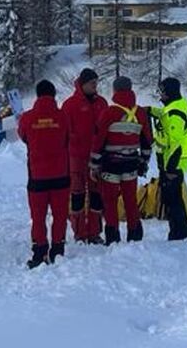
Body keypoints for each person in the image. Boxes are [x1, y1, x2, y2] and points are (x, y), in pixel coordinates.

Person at [90, 76, 152, 245]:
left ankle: (113, 236)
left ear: (115, 91)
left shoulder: (110, 112)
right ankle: (135, 234)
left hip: (111, 165)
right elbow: (147, 140)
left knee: (110, 202)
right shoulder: (139, 113)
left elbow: (98, 140)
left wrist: (94, 164)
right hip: (131, 164)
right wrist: (144, 161)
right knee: (130, 200)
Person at [18, 80, 70, 268]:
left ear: (37, 95)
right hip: (61, 175)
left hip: (37, 176)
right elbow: (68, 137)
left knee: (38, 217)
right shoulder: (63, 116)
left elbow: (24, 137)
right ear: (54, 94)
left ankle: (39, 251)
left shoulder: (27, 118)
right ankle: (58, 250)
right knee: (60, 215)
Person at [62, 67, 107, 243]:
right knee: (77, 196)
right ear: (83, 84)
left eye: (96, 83)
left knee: (97, 195)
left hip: (97, 156)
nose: (95, 86)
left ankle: (95, 231)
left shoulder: (101, 103)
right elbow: (64, 131)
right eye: (92, 83)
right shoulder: (70, 105)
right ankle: (79, 232)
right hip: (76, 157)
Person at [150, 77, 187, 242]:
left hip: (173, 164)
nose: (160, 95)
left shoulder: (175, 114)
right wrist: (150, 111)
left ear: (168, 93)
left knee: (174, 202)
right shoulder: (179, 105)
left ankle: (181, 235)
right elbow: (165, 114)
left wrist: (169, 169)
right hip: (173, 163)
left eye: (162, 92)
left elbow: (175, 144)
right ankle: (179, 234)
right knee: (172, 200)